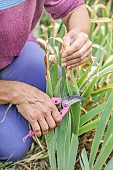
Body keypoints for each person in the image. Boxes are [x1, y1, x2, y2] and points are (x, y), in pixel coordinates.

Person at [0, 0, 92, 162]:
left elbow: (74, 8)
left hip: (14, 51)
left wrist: (78, 33)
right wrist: (17, 93)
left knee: (57, 88)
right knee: (12, 148)